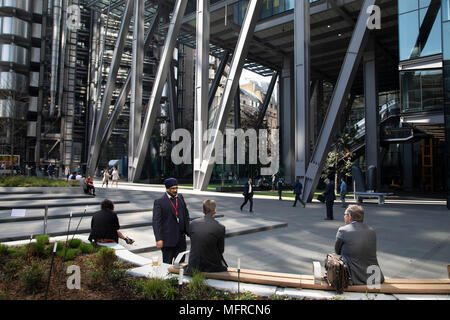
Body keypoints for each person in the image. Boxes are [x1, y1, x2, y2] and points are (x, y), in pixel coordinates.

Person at [335, 205, 385, 286]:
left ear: (350, 216)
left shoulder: (343, 230)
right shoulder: (371, 230)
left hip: (354, 277)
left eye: (345, 215)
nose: (344, 217)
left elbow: (337, 251)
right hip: (375, 277)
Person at [153, 178, 190, 264]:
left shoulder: (180, 198)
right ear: (167, 189)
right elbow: (156, 221)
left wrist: (189, 231)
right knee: (167, 265)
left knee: (180, 265)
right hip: (167, 241)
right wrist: (158, 239)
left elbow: (186, 215)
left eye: (176, 188)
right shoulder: (159, 201)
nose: (175, 190)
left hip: (181, 241)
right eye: (173, 188)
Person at [186, 200, 228, 274]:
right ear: (215, 211)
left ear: (203, 211)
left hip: (194, 264)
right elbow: (221, 250)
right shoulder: (220, 227)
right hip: (210, 266)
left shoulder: (193, 223)